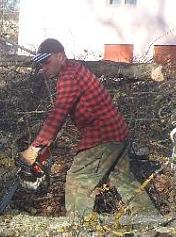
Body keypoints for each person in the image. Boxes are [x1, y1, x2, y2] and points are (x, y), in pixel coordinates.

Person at [19, 38, 160, 218]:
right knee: (122, 178)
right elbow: (66, 112)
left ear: (60, 56)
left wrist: (35, 148)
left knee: (79, 179)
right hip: (117, 132)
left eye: (47, 62)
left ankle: (78, 227)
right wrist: (47, 142)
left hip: (103, 135)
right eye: (41, 64)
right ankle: (151, 220)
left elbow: (58, 113)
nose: (44, 68)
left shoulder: (68, 77)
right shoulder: (74, 69)